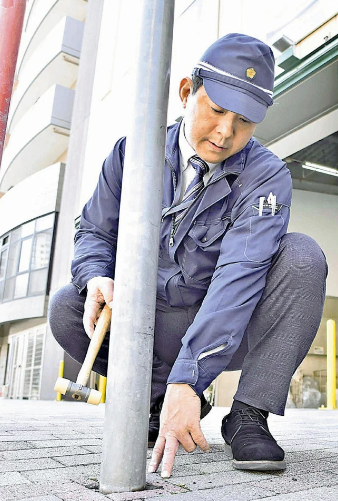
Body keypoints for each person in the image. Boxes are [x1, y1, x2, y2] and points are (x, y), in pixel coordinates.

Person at [48, 33, 327, 478]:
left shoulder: (266, 176)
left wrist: (190, 378)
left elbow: (240, 276)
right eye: (216, 110)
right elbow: (95, 231)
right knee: (67, 305)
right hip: (151, 321)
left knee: (302, 257)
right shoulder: (130, 154)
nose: (225, 132)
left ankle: (248, 414)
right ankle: (158, 399)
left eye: (245, 121)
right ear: (186, 92)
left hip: (226, 324)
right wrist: (96, 275)